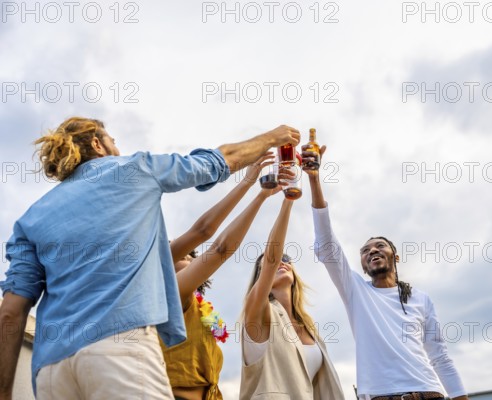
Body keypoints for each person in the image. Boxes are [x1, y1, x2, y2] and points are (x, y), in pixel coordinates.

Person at [0, 116, 299, 400]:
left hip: (51, 370)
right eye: (112, 141)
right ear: (96, 143)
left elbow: (11, 313)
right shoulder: (135, 168)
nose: (118, 149)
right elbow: (216, 162)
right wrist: (272, 138)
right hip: (119, 350)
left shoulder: (32, 218)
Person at [303, 144, 469, 400]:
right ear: (362, 265)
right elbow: (326, 246)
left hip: (429, 393)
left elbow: (439, 355)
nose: (372, 251)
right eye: (365, 250)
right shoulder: (356, 291)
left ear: (395, 256)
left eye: (380, 245)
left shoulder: (420, 299)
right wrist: (314, 179)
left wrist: (460, 396)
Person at [163, 154, 283, 400]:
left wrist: (261, 194)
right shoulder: (169, 293)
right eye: (174, 252)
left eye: (190, 254)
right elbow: (218, 247)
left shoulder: (203, 311)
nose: (187, 256)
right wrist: (254, 189)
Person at [240, 196, 345, 399]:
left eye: (286, 259)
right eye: (272, 261)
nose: (281, 261)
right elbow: (271, 258)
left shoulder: (309, 327)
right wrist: (288, 200)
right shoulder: (259, 313)